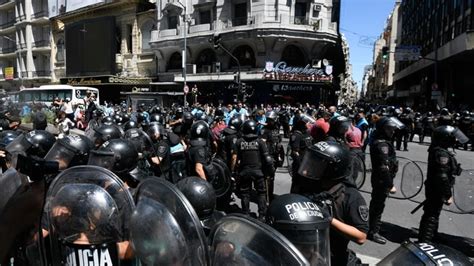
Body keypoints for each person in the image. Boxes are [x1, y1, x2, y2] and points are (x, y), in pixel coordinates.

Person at [297, 141, 368, 265]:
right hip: (304, 254)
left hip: (333, 257)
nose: (311, 165)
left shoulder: (350, 196)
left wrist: (329, 219)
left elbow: (361, 236)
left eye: (317, 162)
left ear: (333, 169)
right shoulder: (308, 185)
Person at [418, 126, 468, 242]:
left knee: (434, 212)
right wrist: (447, 194)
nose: (455, 140)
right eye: (452, 138)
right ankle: (425, 240)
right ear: (445, 138)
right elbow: (442, 176)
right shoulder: (441, 153)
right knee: (432, 215)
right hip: (437, 188)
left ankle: (431, 235)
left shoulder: (438, 150)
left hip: (435, 187)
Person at [368, 117, 404, 244]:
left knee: (378, 205)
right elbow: (383, 168)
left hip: (381, 180)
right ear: (383, 129)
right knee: (377, 206)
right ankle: (372, 232)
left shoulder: (384, 141)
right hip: (381, 180)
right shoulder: (382, 144)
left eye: (393, 128)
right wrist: (390, 185)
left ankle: (374, 227)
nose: (392, 131)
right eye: (389, 129)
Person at [231, 119, 274, 221]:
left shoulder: (239, 142)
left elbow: (234, 158)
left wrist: (232, 171)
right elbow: (267, 158)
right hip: (258, 172)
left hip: (244, 171)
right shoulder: (260, 142)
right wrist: (269, 171)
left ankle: (246, 214)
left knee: (245, 193)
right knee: (261, 193)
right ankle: (262, 215)